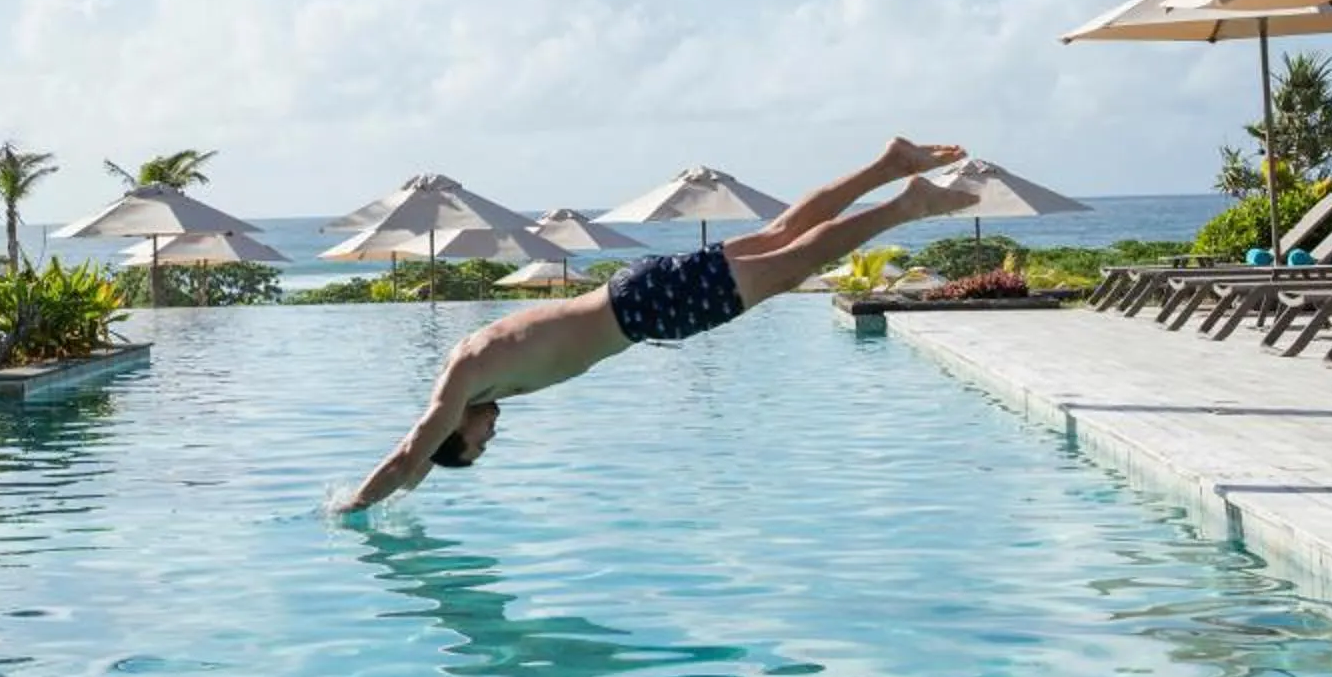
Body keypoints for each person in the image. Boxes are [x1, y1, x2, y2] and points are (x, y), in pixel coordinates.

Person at [340, 138, 977, 509]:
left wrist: (354, 507)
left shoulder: (461, 385)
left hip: (645, 310)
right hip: (635, 289)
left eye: (478, 442)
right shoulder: (472, 374)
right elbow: (416, 465)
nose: (491, 436)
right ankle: (889, 164)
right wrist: (407, 490)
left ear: (455, 430)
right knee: (779, 235)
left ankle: (905, 203)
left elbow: (407, 454)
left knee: (793, 264)